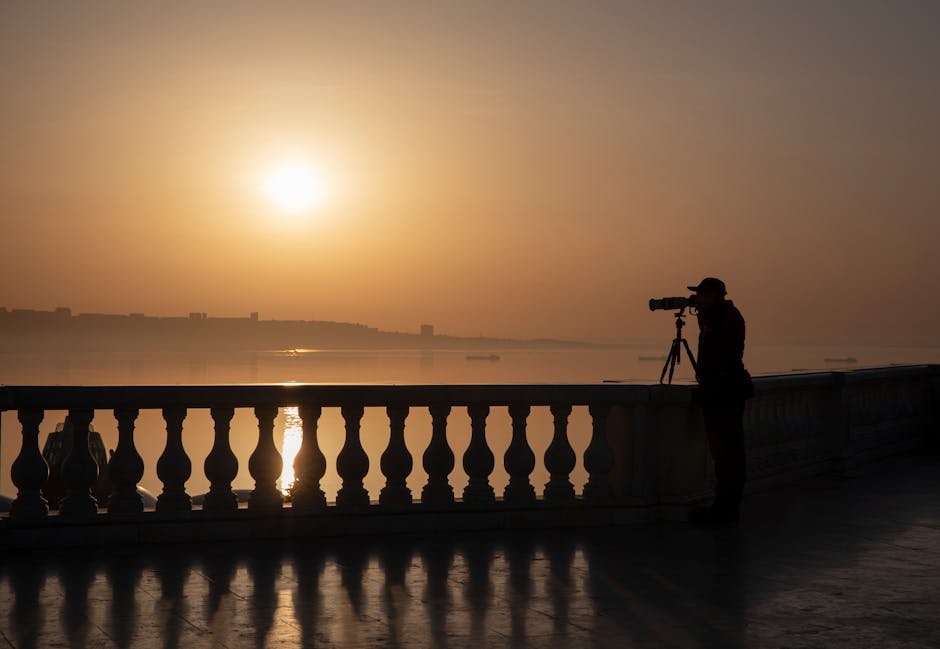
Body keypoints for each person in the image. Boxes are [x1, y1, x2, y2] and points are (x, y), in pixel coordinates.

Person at [687, 277, 753, 524]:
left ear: (714, 296)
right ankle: (725, 507)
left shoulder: (724, 319)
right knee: (725, 453)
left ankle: (725, 510)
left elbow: (719, 354)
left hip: (724, 391)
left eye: (702, 295)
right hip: (723, 390)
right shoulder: (723, 316)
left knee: (727, 454)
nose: (698, 300)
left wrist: (704, 318)